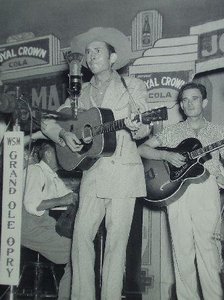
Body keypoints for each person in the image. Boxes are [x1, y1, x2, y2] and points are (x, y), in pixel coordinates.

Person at [41, 27, 150, 300]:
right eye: (88, 52)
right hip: (93, 173)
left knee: (115, 245)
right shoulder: (81, 93)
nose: (90, 56)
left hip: (124, 173)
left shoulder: (132, 86)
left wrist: (138, 128)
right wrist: (65, 134)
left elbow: (146, 126)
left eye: (97, 51)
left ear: (113, 58)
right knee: (80, 239)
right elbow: (48, 122)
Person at [138, 82, 224, 300]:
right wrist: (165, 156)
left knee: (209, 251)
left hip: (207, 190)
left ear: (204, 102)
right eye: (185, 100)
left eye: (195, 98)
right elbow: (141, 148)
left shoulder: (218, 131)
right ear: (180, 105)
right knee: (182, 252)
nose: (189, 103)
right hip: (176, 193)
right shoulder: (172, 131)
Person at [22, 141, 77, 300]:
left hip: (41, 224)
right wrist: (63, 200)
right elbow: (32, 205)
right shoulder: (35, 170)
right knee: (77, 253)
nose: (65, 154)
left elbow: (70, 197)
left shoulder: (52, 176)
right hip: (28, 224)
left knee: (80, 252)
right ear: (48, 154)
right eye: (60, 150)